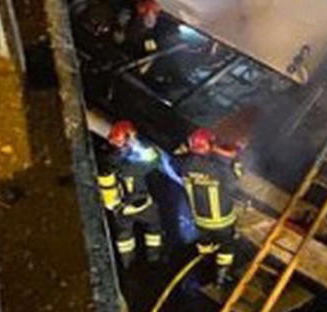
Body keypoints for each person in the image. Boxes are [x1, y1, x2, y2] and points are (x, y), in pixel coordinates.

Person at [177, 127, 244, 287]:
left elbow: (179, 155)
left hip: (200, 220)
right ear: (208, 145)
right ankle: (221, 277)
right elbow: (233, 183)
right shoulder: (217, 167)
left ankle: (205, 266)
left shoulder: (184, 165)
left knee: (205, 243)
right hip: (222, 221)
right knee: (227, 245)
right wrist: (235, 161)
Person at [98, 120, 166, 267]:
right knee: (154, 228)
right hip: (141, 205)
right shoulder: (132, 165)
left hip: (119, 209)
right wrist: (137, 144)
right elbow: (154, 159)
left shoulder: (106, 159)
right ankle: (154, 260)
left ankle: (127, 265)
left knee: (124, 239)